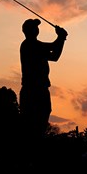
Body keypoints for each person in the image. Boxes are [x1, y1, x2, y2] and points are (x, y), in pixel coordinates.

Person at [19, 18, 68, 163]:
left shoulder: (32, 45)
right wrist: (61, 37)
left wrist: (61, 38)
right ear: (30, 31)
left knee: (39, 123)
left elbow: (54, 56)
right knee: (34, 125)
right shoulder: (30, 45)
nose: (37, 29)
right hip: (34, 90)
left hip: (36, 90)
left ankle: (34, 156)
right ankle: (32, 159)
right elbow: (53, 48)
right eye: (35, 27)